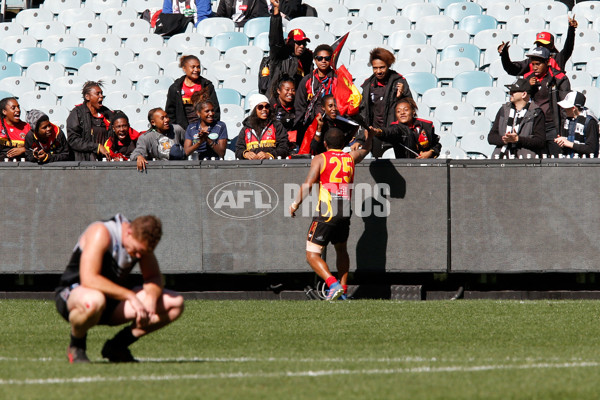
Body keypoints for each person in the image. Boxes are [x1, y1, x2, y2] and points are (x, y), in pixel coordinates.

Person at [55, 214, 184, 363]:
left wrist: (151, 299)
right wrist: (129, 296)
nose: (137, 256)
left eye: (142, 253)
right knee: (94, 301)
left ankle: (117, 346)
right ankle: (76, 345)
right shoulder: (102, 232)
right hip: (76, 295)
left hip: (111, 302)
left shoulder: (141, 242)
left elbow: (154, 277)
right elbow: (89, 279)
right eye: (136, 251)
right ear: (129, 232)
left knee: (175, 303)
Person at [289, 127, 372, 301]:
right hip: (345, 211)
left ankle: (333, 285)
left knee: (312, 254)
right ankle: (343, 292)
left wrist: (295, 203)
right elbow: (366, 149)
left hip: (327, 211)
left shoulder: (320, 158)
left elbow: (309, 184)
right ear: (344, 144)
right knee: (341, 250)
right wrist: (369, 135)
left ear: (325, 144)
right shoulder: (350, 157)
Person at [357, 48, 412, 157]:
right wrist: (361, 138)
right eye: (375, 68)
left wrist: (402, 97)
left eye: (382, 67)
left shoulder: (399, 82)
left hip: (395, 136)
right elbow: (364, 113)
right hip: (376, 135)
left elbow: (410, 108)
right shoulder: (368, 85)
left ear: (388, 65)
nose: (378, 71)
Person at [522, 47, 571, 156]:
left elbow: (565, 106)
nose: (534, 67)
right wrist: (528, 86)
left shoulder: (559, 78)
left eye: (538, 64)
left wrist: (562, 131)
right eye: (533, 64)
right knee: (535, 161)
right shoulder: (527, 78)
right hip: (534, 127)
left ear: (547, 62)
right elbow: (520, 101)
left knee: (555, 161)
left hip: (553, 127)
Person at [260, 0, 313, 98]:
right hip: (276, 103)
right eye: (298, 43)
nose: (302, 46)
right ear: (290, 42)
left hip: (295, 104)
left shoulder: (307, 60)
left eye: (304, 44)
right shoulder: (280, 55)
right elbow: (275, 37)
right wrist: (276, 12)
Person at [499, 15, 578, 75]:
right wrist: (504, 55)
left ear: (551, 46)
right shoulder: (531, 61)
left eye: (544, 44)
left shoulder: (558, 58)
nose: (541, 47)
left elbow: (568, 47)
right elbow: (511, 69)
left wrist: (571, 29)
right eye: (539, 44)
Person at [487, 78, 546, 159]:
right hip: (502, 158)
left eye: (514, 92)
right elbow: (491, 137)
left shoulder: (536, 113)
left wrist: (518, 139)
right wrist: (504, 139)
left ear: (524, 94)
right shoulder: (503, 110)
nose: (510, 93)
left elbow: (540, 141)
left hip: (525, 160)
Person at [372, 98, 440, 159]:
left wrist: (430, 153)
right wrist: (378, 131)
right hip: (406, 168)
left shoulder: (426, 126)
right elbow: (388, 132)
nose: (402, 113)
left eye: (406, 110)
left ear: (413, 111)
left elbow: (436, 144)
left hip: (427, 167)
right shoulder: (396, 127)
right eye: (398, 111)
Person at [165, 55, 220, 131]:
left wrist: (210, 128)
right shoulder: (175, 88)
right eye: (193, 67)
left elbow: (215, 109)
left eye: (198, 67)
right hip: (183, 130)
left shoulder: (207, 86)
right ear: (184, 68)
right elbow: (170, 112)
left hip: (204, 129)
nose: (196, 70)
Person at [294, 44, 337, 134]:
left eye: (327, 58)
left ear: (331, 59)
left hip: (332, 126)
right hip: (310, 125)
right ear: (315, 60)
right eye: (320, 58)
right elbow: (299, 106)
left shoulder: (337, 79)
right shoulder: (307, 80)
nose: (323, 61)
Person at [66, 81, 114, 161]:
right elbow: (73, 140)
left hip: (104, 161)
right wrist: (97, 147)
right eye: (97, 94)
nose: (101, 96)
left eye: (102, 93)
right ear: (87, 97)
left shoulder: (107, 113)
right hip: (83, 162)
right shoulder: (77, 113)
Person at [235, 93, 290, 160]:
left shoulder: (277, 126)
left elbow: (284, 148)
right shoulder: (246, 129)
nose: (264, 109)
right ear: (254, 110)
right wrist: (245, 153)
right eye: (260, 107)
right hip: (251, 166)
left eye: (267, 107)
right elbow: (238, 150)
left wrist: (269, 155)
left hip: (272, 165)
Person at [555, 91, 599, 157]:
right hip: (569, 160)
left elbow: (591, 148)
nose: (564, 109)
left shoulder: (590, 122)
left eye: (567, 108)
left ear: (574, 108)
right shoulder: (567, 121)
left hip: (585, 164)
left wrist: (569, 144)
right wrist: (562, 142)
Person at [271, 75, 299, 151]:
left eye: (293, 90)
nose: (290, 92)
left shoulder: (297, 105)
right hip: (274, 143)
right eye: (287, 89)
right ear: (278, 91)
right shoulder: (271, 106)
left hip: (292, 143)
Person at [0, 97, 31, 161]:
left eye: (18, 107)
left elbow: (37, 147)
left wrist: (23, 149)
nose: (18, 110)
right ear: (4, 111)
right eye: (13, 108)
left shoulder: (27, 127)